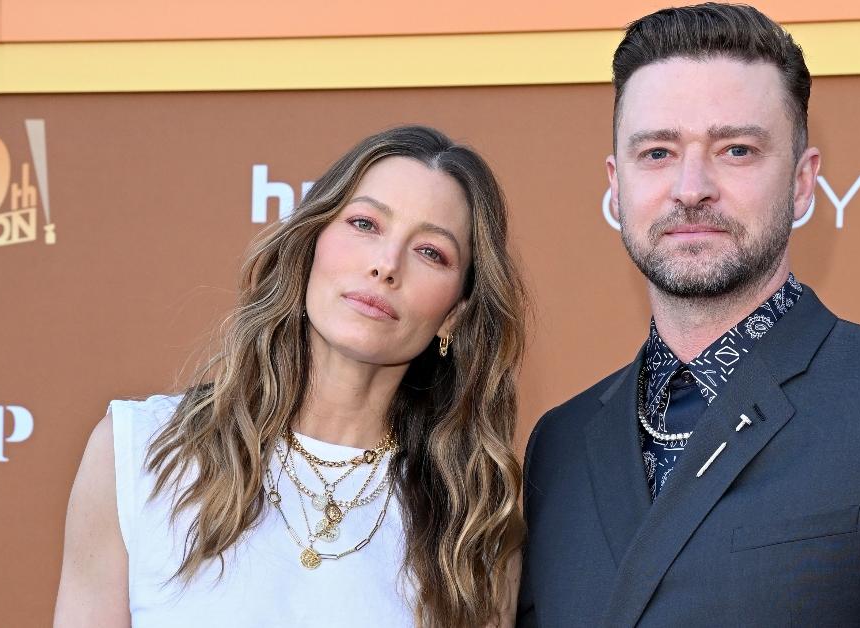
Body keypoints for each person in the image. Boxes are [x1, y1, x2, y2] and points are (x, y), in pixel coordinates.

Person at [517, 4, 860, 626]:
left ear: (801, 182)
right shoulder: (560, 444)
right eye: (657, 152)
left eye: (735, 149)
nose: (690, 187)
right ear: (616, 184)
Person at [54, 125, 526, 628]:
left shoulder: (476, 518)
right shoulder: (138, 451)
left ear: (455, 313)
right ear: (310, 244)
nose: (386, 266)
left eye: (430, 251)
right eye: (365, 224)